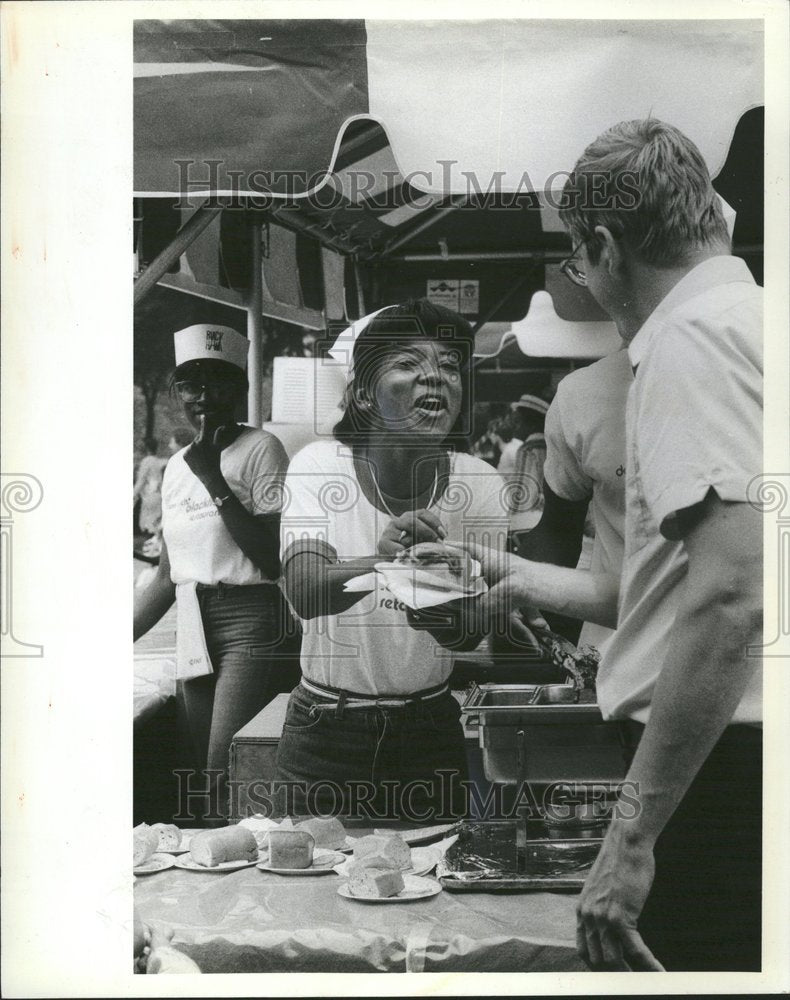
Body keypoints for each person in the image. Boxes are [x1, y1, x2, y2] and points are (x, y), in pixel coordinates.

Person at [456, 119, 762, 971]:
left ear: (603, 243)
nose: (588, 282)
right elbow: (673, 589)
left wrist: (632, 837)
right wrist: (515, 574)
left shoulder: (687, 339)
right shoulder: (752, 318)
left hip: (724, 772)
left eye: (580, 264)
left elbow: (734, 595)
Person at [275, 299, 510, 821]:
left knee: (436, 894)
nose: (435, 378)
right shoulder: (317, 466)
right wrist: (385, 565)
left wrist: (435, 602)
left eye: (449, 366)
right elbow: (307, 590)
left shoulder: (479, 482)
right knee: (298, 890)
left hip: (429, 731)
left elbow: (470, 632)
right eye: (408, 363)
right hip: (324, 733)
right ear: (363, 392)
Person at [134, 324, 301, 823]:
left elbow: (273, 558)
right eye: (190, 384)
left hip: (252, 618)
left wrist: (214, 478)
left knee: (225, 767)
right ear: (175, 392)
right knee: (192, 772)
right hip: (193, 620)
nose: (204, 396)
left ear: (241, 389)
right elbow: (168, 572)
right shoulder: (175, 467)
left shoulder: (262, 449)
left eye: (219, 381)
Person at [518, 348, 631, 649]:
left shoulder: (750, 370)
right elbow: (557, 528)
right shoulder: (581, 394)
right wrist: (516, 585)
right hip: (610, 656)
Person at [507, 394, 549, 532]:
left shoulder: (527, 449)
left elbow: (522, 491)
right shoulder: (550, 447)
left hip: (527, 522)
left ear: (532, 423)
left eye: (519, 422)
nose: (515, 427)